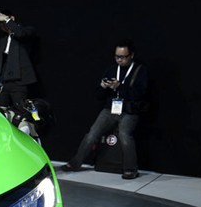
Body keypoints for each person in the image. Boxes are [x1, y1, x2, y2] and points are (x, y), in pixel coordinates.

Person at [61, 40, 148, 180]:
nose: (119, 60)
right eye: (117, 56)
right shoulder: (111, 70)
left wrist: (120, 87)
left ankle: (131, 169)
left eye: (123, 57)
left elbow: (140, 94)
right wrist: (103, 87)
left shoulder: (140, 71)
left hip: (129, 111)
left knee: (125, 136)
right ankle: (75, 163)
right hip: (110, 109)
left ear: (131, 55)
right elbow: (98, 96)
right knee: (92, 134)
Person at [0, 11, 37, 106]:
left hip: (19, 83)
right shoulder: (3, 37)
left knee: (20, 110)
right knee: (2, 110)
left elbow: (20, 33)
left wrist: (6, 19)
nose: (2, 26)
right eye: (1, 24)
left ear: (12, 18)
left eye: (4, 22)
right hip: (2, 82)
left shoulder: (26, 31)